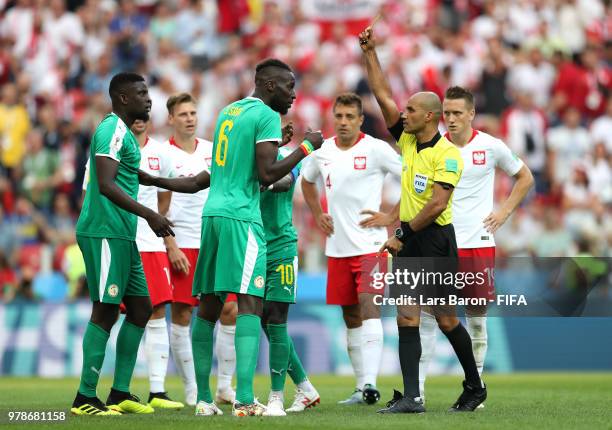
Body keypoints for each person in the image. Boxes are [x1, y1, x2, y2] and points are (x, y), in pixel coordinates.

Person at [143, 58, 324, 417]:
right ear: (270, 86)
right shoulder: (267, 115)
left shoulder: (229, 112)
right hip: (243, 219)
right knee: (250, 304)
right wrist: (306, 148)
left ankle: (204, 400)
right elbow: (267, 172)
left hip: (212, 215)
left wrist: (155, 181)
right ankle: (243, 399)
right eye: (288, 86)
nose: (293, 94)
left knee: (208, 306)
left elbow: (210, 175)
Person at [359, 27, 487, 413]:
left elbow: (436, 204)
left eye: (411, 110)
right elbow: (382, 96)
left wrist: (398, 231)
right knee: (406, 314)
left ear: (429, 116)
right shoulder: (410, 140)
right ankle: (413, 396)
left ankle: (474, 386)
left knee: (447, 319)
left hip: (434, 240)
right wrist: (371, 54)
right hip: (411, 239)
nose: (404, 114)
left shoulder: (448, 154)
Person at [418, 86, 534, 403]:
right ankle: (419, 392)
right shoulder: (431, 147)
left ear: (471, 113)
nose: (451, 119)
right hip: (440, 242)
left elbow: (525, 177)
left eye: (457, 113)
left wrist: (505, 211)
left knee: (477, 316)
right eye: (447, 113)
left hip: (477, 242)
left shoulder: (490, 146)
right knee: (429, 315)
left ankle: (476, 386)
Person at [72, 72, 174, 416]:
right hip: (104, 231)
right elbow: (105, 183)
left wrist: (178, 183)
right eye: (142, 93)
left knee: (142, 309)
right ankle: (85, 398)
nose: (149, 99)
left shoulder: (124, 135)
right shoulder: (112, 129)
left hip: (122, 234)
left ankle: (119, 393)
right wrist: (150, 214)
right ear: (123, 98)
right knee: (105, 310)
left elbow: (132, 175)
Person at [301, 92, 401, 405]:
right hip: (338, 248)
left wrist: (390, 217)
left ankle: (371, 382)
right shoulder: (323, 151)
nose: (343, 122)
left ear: (360, 120)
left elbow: (414, 179)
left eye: (349, 117)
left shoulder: (376, 149)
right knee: (351, 316)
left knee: (369, 303)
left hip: (372, 246)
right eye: (339, 116)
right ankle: (361, 388)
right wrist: (318, 214)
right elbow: (306, 181)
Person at [162, 93, 237, 406]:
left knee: (231, 309)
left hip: (215, 242)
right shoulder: (163, 155)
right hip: (182, 243)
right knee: (182, 314)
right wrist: (170, 244)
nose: (190, 118)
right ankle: (192, 389)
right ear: (171, 119)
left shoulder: (212, 150)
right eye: (183, 114)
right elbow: (158, 204)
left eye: (193, 113)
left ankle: (224, 386)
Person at [259, 135, 320, 416]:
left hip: (281, 244)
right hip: (254, 245)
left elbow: (284, 181)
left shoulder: (285, 155)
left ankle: (275, 396)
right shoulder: (247, 153)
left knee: (276, 318)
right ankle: (305, 387)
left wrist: (258, 179)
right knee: (262, 320)